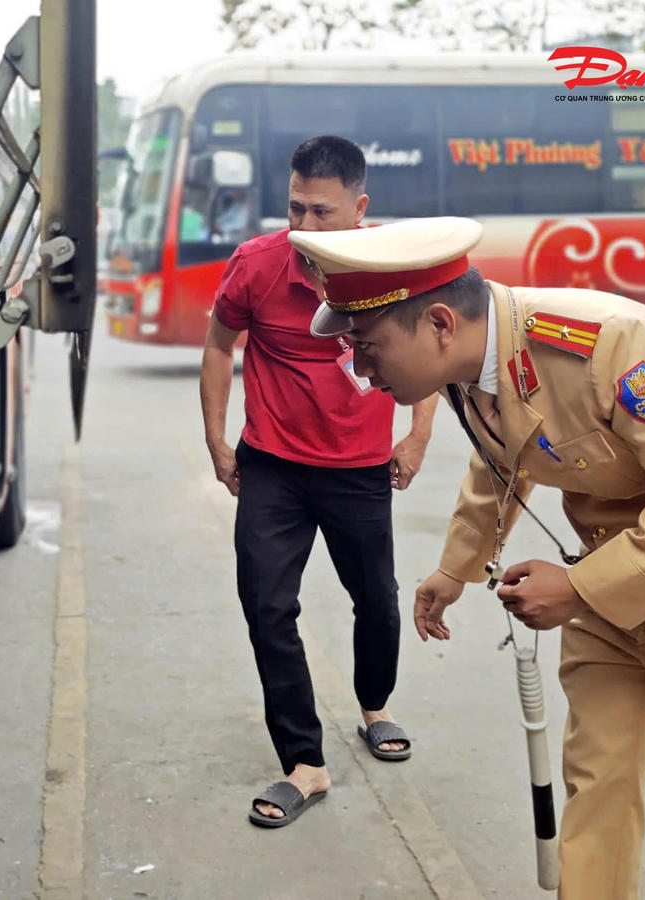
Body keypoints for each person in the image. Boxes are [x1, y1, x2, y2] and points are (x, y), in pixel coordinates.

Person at [288, 216, 645, 896]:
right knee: (595, 795)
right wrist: (457, 569)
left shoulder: (611, 346)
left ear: (438, 324)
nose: (361, 374)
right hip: (612, 591)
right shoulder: (463, 367)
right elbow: (502, 461)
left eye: (367, 349)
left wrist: (578, 588)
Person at [199, 136, 440, 829]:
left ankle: (375, 705)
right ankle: (304, 762)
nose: (305, 227)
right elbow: (220, 346)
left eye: (323, 213)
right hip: (272, 462)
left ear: (360, 209)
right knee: (267, 604)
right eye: (295, 209)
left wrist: (417, 435)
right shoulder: (258, 265)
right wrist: (217, 439)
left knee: (377, 600)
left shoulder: (393, 267)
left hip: (360, 467)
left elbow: (429, 352)